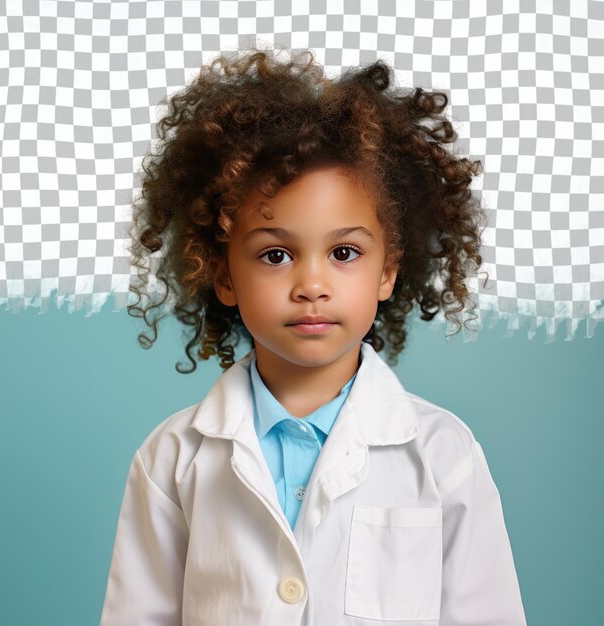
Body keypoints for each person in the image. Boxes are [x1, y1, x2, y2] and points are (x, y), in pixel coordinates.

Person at [99, 47, 527, 625]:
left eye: (344, 252)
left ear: (387, 270)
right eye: (275, 254)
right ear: (223, 273)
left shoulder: (443, 456)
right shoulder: (173, 459)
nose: (312, 284)